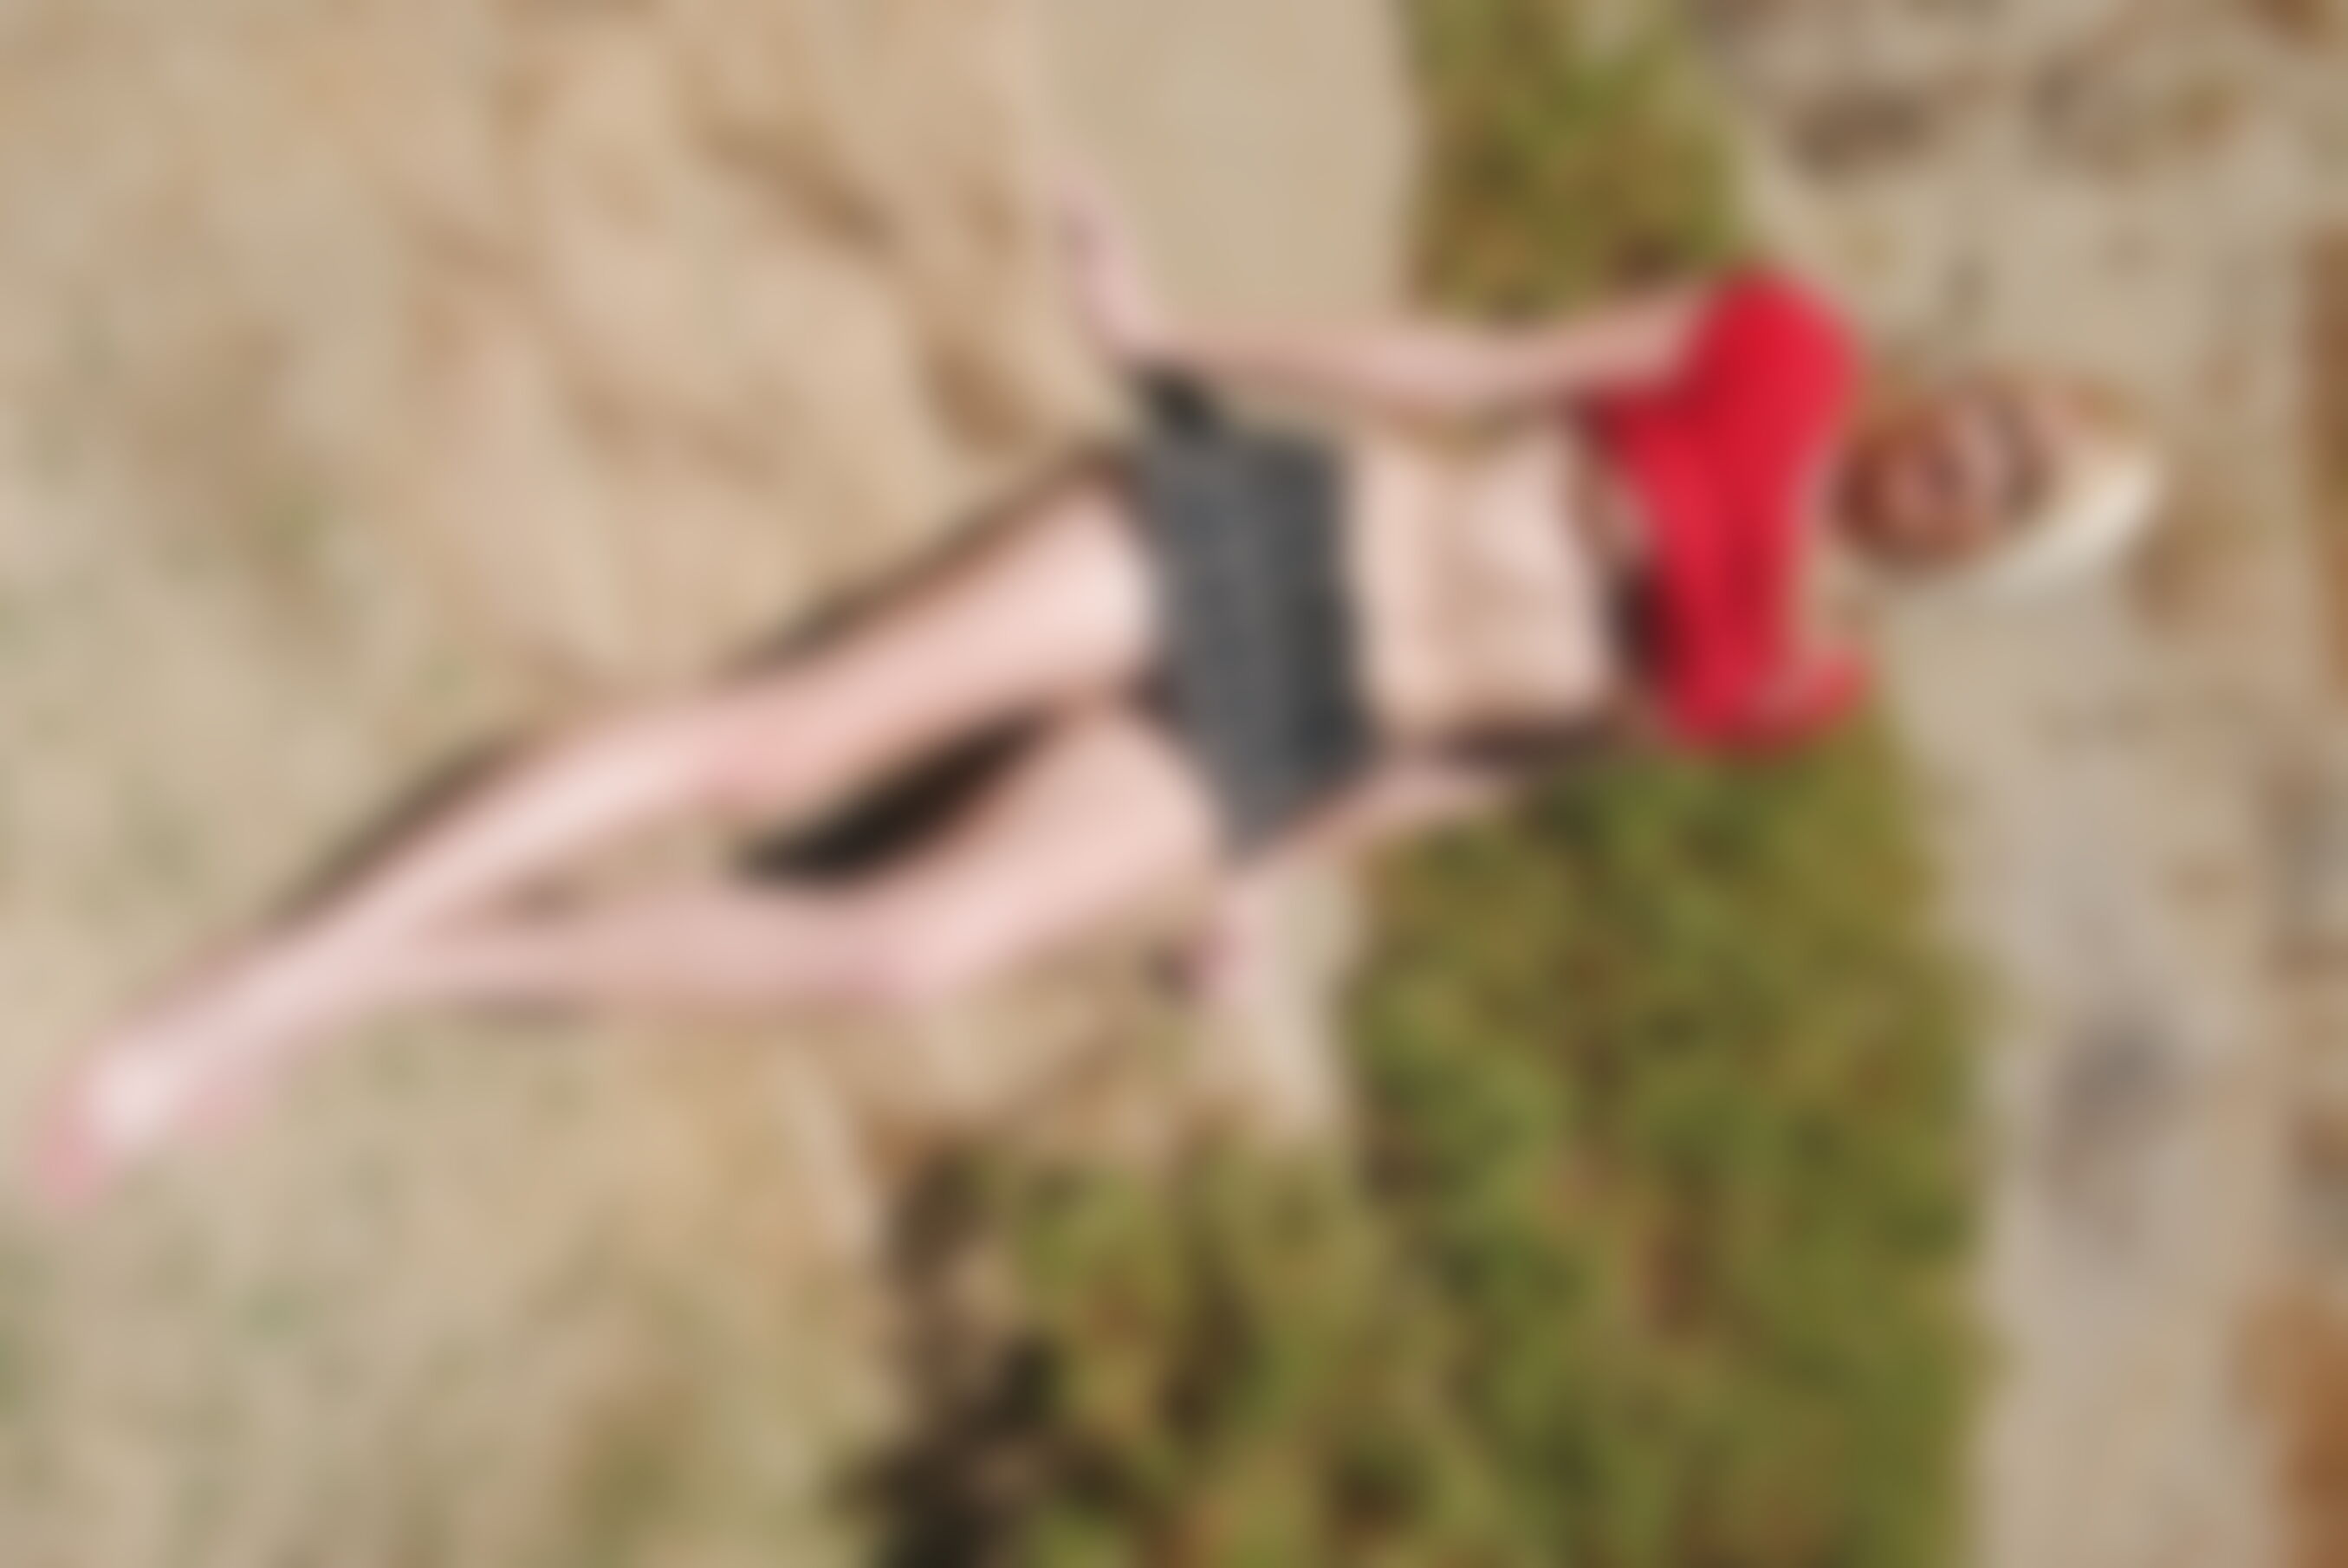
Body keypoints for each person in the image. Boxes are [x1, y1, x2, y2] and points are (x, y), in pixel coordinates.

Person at [30, 178, 2164, 1206]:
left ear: (1998, 552)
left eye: (2004, 489)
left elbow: (1485, 762)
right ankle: (251, 993)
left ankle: (353, 981)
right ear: (1960, 388)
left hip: (1290, 732)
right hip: (1270, 537)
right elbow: (1466, 365)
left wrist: (1259, 883)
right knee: (769, 750)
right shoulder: (1778, 343)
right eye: (1988, 421)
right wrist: (1173, 329)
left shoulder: (1797, 681)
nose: (1957, 461)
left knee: (896, 954)